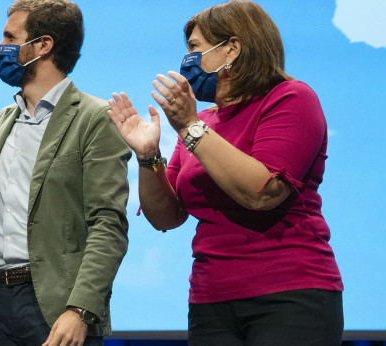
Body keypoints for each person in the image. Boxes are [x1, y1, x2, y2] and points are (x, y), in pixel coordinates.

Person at [107, 1, 343, 345]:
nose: (186, 60)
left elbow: (261, 193)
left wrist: (188, 126)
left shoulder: (291, 99)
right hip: (210, 300)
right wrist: (147, 155)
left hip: (289, 294)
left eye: (194, 48)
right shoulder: (203, 123)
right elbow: (167, 217)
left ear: (232, 48)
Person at [0, 0, 131, 345]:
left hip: (52, 305)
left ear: (43, 45)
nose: (1, 47)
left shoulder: (94, 118)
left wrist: (81, 309)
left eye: (11, 38)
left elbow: (108, 223)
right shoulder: (0, 121)